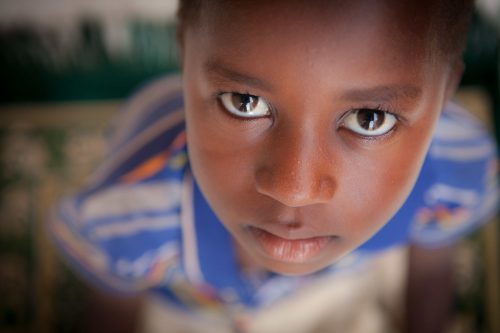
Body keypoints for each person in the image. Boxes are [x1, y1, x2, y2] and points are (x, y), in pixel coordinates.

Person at [49, 0, 498, 332]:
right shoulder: (127, 220)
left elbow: (433, 271)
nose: (294, 188)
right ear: (184, 56)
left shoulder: (453, 173)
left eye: (369, 119)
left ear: (443, 96)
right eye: (244, 103)